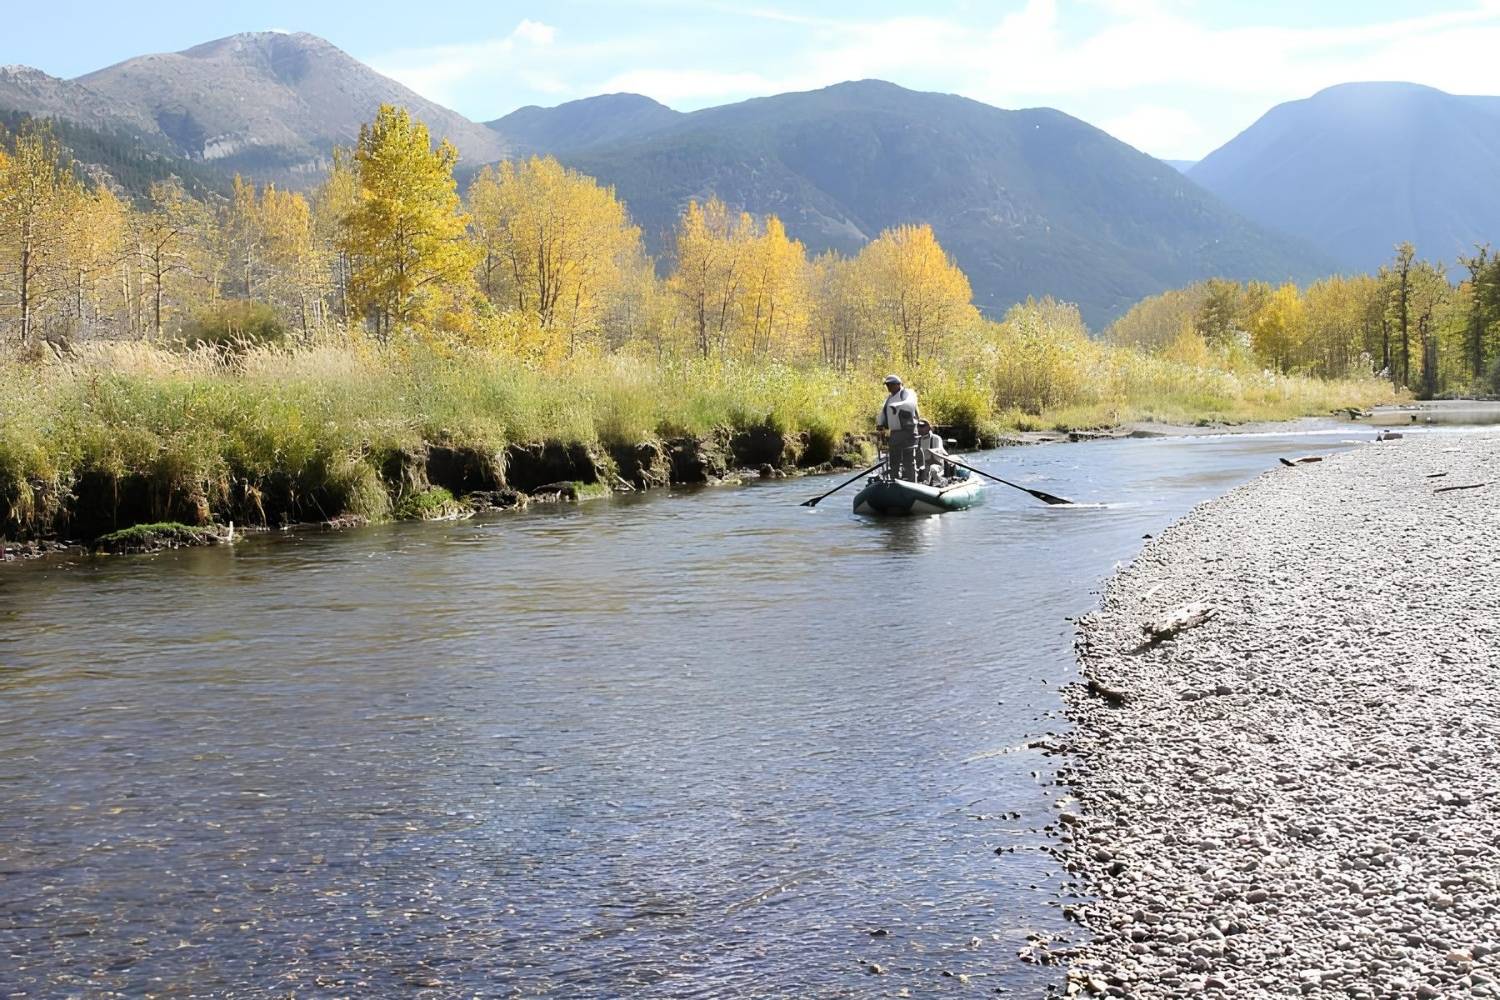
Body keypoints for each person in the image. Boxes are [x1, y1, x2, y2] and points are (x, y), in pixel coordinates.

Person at [876, 374, 920, 481]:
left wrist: (898, 405)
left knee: (908, 460)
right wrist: (880, 423)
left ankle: (912, 483)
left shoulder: (907, 393)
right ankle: (894, 481)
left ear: (898, 384)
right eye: (887, 385)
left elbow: (910, 403)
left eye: (890, 384)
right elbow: (883, 413)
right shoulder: (889, 398)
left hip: (908, 433)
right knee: (894, 461)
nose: (888, 387)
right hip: (895, 434)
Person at [917, 419, 949, 484]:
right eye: (918, 426)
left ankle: (942, 482)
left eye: (922, 426)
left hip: (936, 465)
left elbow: (940, 450)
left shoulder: (936, 438)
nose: (920, 428)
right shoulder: (916, 439)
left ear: (929, 427)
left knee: (933, 469)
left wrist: (930, 451)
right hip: (921, 466)